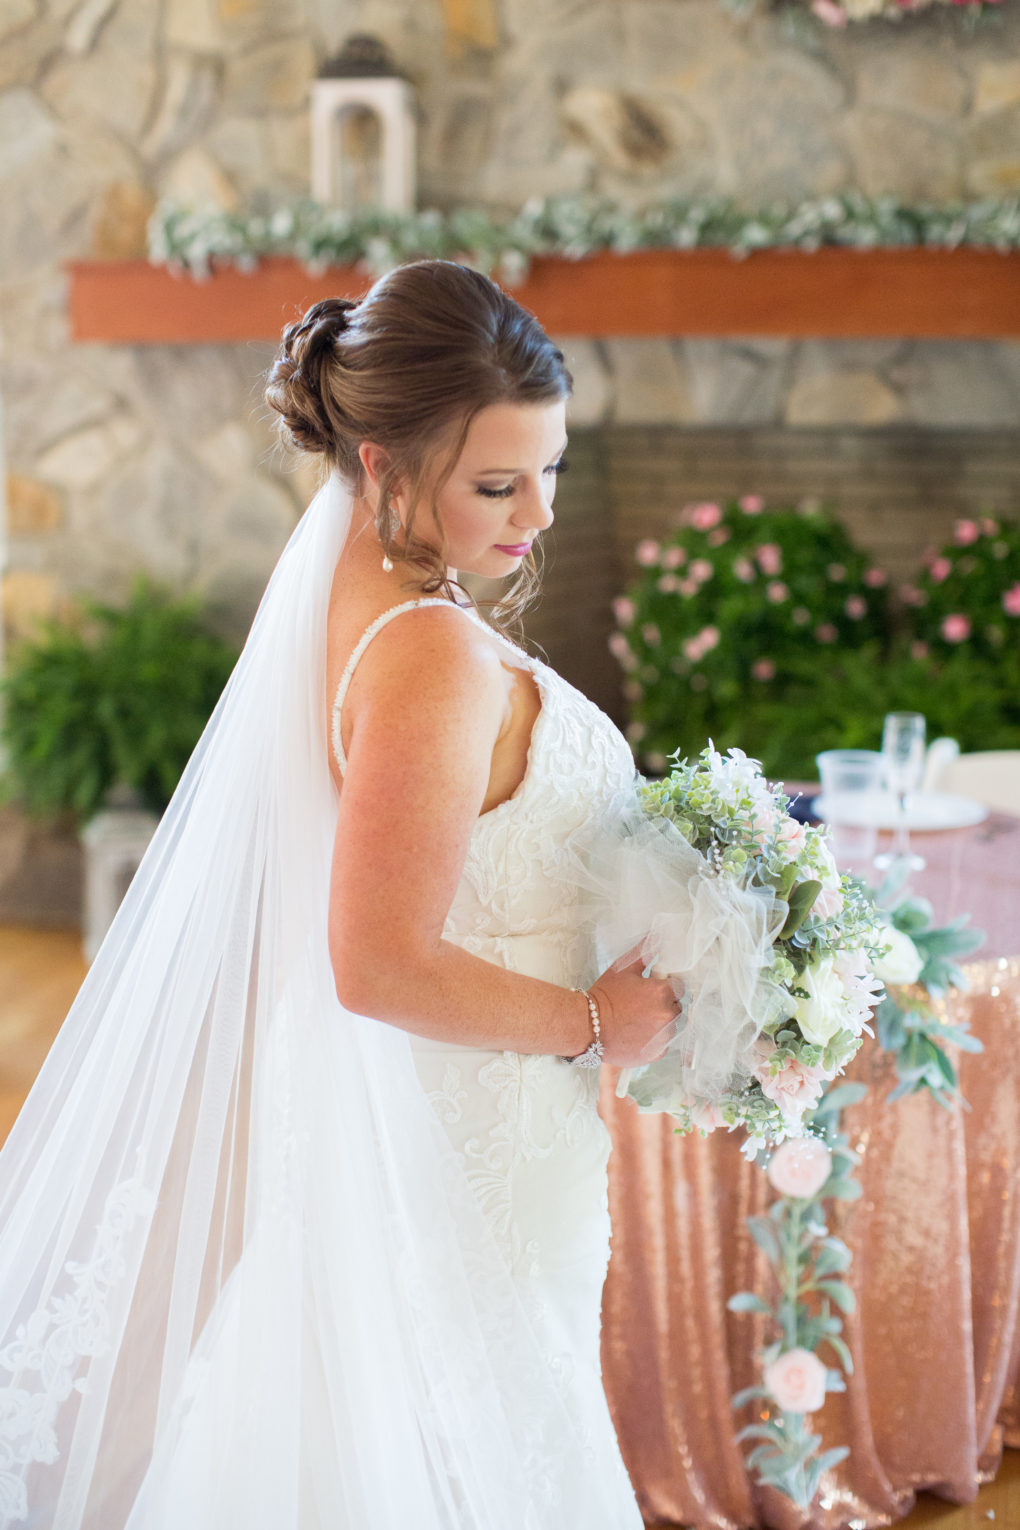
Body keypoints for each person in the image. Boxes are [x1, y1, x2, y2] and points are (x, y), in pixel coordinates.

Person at [0, 260, 676, 1529]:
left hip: (457, 1115)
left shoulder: (368, 603)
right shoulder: (425, 656)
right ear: (383, 466)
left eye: (553, 471)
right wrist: (601, 1024)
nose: (536, 512)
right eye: (496, 484)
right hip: (470, 1127)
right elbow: (375, 963)